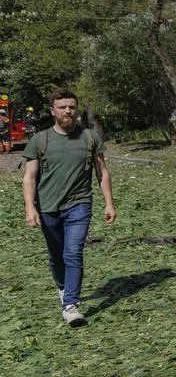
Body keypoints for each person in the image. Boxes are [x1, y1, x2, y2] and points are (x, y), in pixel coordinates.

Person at [22, 89, 116, 327]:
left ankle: (71, 305)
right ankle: (63, 288)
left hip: (79, 204)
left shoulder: (89, 138)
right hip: (48, 207)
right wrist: (30, 207)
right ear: (52, 111)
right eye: (62, 107)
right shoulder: (39, 140)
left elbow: (102, 172)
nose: (68, 111)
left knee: (73, 252)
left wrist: (109, 203)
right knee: (57, 256)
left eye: (71, 107)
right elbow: (29, 177)